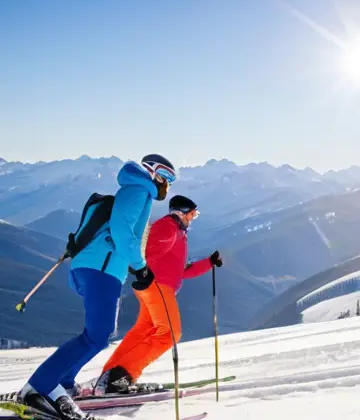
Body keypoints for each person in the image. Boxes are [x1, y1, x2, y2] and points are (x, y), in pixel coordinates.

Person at [17, 154, 177, 420]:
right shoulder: (139, 189)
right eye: (165, 177)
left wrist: (135, 266)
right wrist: (140, 266)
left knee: (97, 334)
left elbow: (123, 235)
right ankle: (37, 388)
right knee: (98, 335)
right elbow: (123, 232)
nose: (167, 185)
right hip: (101, 269)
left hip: (99, 268)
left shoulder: (136, 190)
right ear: (152, 172)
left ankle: (64, 383)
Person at [93, 195, 222, 395]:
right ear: (182, 212)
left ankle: (110, 375)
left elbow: (181, 270)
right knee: (170, 333)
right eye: (192, 214)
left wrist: (209, 263)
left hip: (156, 285)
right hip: (157, 285)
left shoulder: (176, 231)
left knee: (144, 330)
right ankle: (120, 375)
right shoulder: (169, 227)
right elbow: (149, 250)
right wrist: (142, 269)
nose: (193, 219)